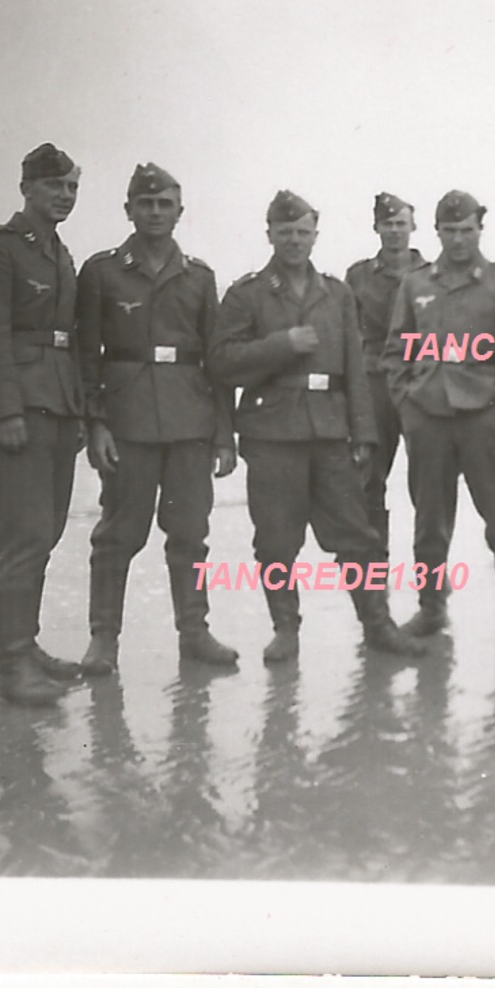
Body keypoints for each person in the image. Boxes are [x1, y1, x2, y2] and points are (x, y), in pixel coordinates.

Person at [208, 190, 422, 664]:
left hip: (329, 432)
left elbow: (356, 369)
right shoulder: (247, 294)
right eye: (285, 232)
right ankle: (286, 629)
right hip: (272, 434)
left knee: (357, 536)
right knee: (276, 540)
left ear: (315, 236)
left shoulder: (337, 293)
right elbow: (222, 363)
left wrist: (364, 433)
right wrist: (281, 344)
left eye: (303, 232)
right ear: (269, 234)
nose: (294, 241)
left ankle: (378, 624)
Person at [75, 162, 239, 674]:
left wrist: (223, 434)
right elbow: (84, 356)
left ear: (180, 212)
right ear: (128, 209)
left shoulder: (200, 277)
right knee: (119, 534)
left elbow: (218, 361)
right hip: (128, 422)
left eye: (164, 204)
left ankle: (195, 633)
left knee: (190, 531)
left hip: (190, 422)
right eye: (145, 203)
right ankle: (104, 641)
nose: (154, 212)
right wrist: (95, 424)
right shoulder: (101, 272)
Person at [0, 142, 88, 706]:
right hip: (19, 413)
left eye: (72, 187)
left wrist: (78, 411)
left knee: (46, 533)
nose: (64, 196)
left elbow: (70, 341)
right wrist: (4, 412)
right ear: (26, 189)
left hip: (56, 408)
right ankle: (11, 666)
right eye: (53, 185)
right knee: (24, 535)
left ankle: (26, 646)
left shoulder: (60, 253)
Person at [382, 190, 495, 647]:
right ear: (436, 232)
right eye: (449, 231)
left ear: (479, 230)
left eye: (466, 230)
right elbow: (396, 350)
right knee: (430, 521)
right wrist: (407, 404)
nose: (457, 239)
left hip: (486, 419)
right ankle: (431, 608)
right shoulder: (416, 285)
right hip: (429, 416)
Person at [344, 192, 427, 551]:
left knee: (426, 480)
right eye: (387, 224)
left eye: (401, 224)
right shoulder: (359, 276)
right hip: (374, 383)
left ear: (413, 227)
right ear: (376, 227)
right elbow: (346, 332)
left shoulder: (431, 275)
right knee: (369, 475)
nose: (394, 231)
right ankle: (372, 562)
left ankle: (430, 565)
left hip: (419, 382)